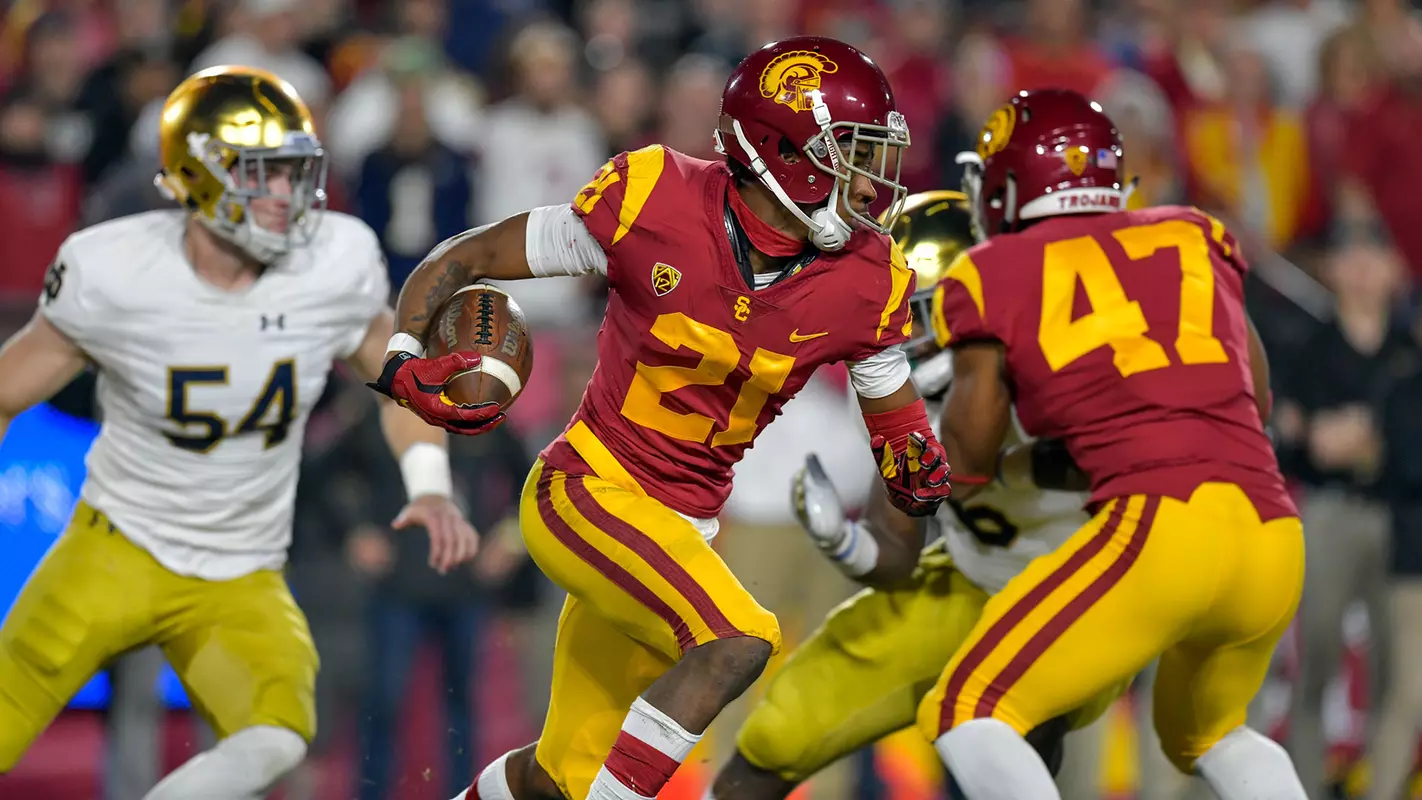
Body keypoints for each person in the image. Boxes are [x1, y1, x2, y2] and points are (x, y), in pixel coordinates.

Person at [368, 35, 955, 800]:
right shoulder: (654, 195)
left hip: (683, 533)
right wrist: (402, 356)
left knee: (557, 780)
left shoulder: (866, 279)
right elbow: (467, 258)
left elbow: (898, 426)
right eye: (853, 151)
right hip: (587, 490)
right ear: (781, 149)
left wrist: (915, 466)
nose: (873, 179)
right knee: (741, 639)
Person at [0, 65, 479, 800]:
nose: (287, 197)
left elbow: (402, 386)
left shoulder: (332, 261)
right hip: (114, 545)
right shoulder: (115, 269)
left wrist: (431, 487)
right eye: (263, 175)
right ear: (199, 174)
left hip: (239, 569)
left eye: (295, 174)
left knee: (278, 735)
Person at [920, 88, 1306, 800]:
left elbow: (967, 460)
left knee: (966, 708)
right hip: (1271, 531)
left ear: (1012, 184)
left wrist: (998, 456)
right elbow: (1255, 393)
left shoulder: (990, 271)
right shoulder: (1192, 234)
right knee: (1208, 733)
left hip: (1162, 528)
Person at [708, 191, 1119, 800]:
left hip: (1068, 593)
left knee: (1030, 744)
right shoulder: (890, 383)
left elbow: (1100, 466)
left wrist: (1011, 459)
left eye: (920, 311)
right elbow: (897, 550)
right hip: (966, 576)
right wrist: (847, 543)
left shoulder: (1051, 353)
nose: (905, 332)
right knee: (776, 734)